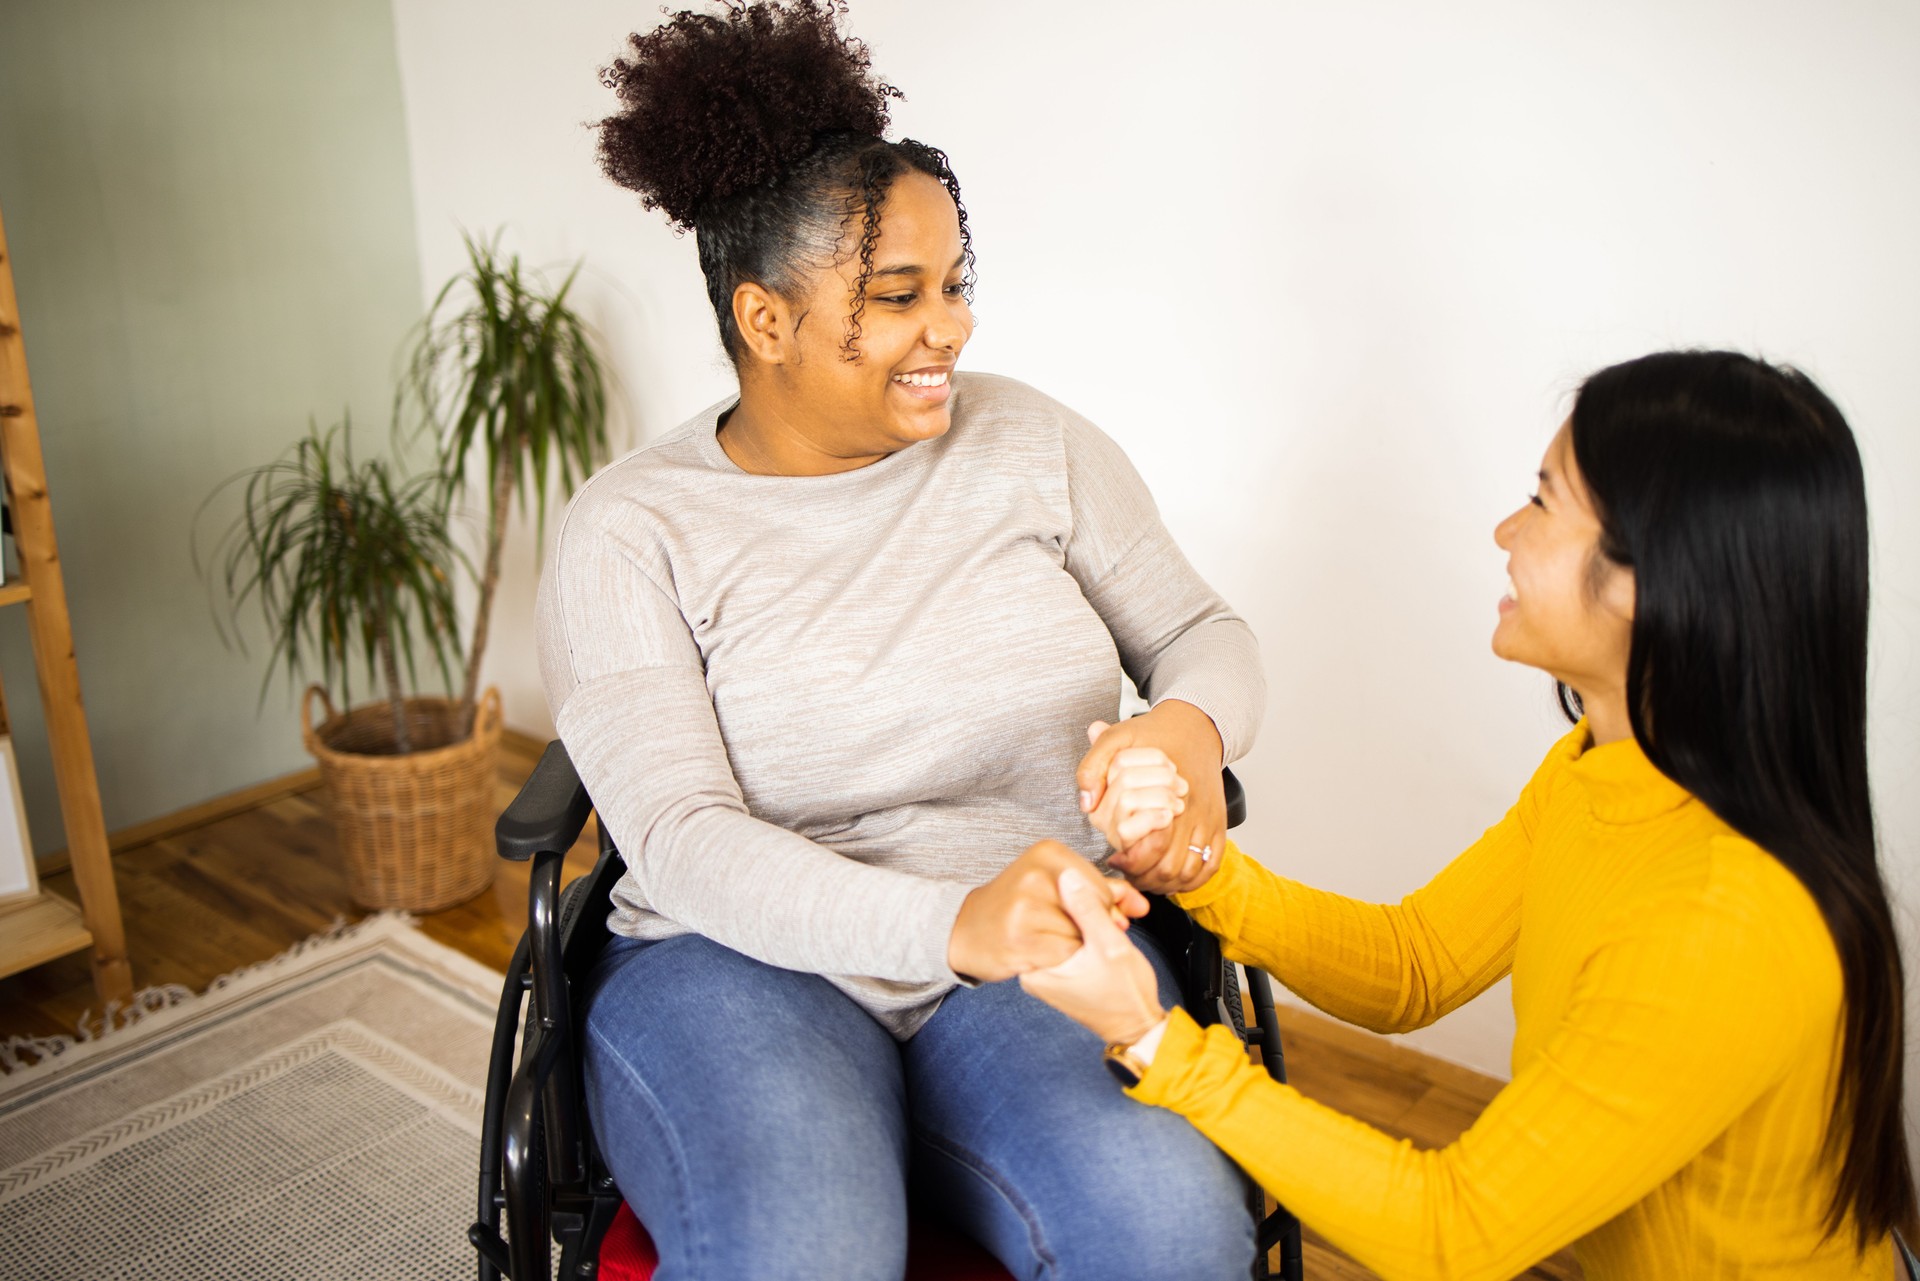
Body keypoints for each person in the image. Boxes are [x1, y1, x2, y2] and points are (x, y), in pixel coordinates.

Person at [534, 3, 1263, 1276]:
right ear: (766, 322)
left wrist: (1186, 729)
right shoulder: (630, 531)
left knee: (1168, 1231)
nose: (954, 329)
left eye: (956, 285)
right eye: (898, 296)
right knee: (804, 1253)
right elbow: (685, 842)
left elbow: (1202, 630)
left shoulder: (1028, 439)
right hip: (740, 966)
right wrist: (947, 923)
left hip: (1034, 945)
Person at [1025, 350, 1919, 1279]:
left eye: (1542, 502)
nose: (1504, 528)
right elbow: (1417, 963)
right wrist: (1208, 875)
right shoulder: (1603, 769)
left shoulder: (1728, 919)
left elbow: (1453, 1234)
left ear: (1653, 576)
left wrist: (1159, 1040)